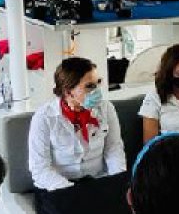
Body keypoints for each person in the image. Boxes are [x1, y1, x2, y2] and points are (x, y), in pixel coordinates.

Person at [28, 57, 126, 191]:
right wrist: (72, 191)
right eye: (89, 86)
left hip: (96, 180)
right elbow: (40, 169)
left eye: (98, 83)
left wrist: (119, 181)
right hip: (59, 187)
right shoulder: (44, 118)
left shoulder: (106, 109)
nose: (97, 90)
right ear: (68, 92)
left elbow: (114, 149)